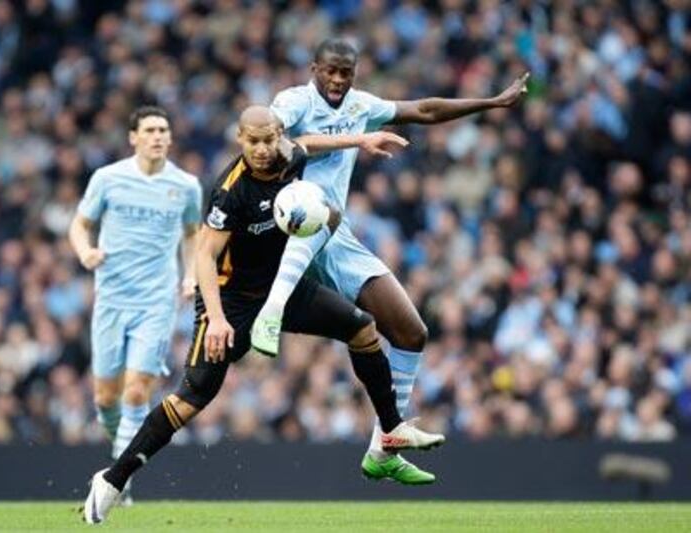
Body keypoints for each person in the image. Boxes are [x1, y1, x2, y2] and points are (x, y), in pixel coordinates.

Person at [82, 106, 443, 524]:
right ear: (240, 139)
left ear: (278, 137)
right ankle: (111, 479)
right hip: (229, 300)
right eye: (252, 141)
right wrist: (216, 320)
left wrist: (360, 140)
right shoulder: (230, 191)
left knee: (362, 329)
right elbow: (204, 256)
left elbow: (307, 144)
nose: (261, 149)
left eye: (269, 139)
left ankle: (391, 428)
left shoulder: (291, 157)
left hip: (280, 290)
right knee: (193, 397)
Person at [249, 38, 529, 484]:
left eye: (347, 73)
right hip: (285, 228)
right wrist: (359, 139)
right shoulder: (293, 100)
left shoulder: (361, 104)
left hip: (334, 236)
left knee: (411, 331)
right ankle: (270, 310)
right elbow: (282, 143)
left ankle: (385, 446)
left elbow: (426, 110)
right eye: (331, 71)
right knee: (315, 204)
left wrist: (491, 102)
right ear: (314, 68)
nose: (339, 81)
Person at [69, 105, 202, 503]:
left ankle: (116, 480)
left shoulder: (186, 185)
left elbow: (193, 234)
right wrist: (85, 252)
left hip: (156, 299)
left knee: (138, 390)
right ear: (134, 137)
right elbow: (79, 224)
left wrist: (190, 274)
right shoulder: (108, 179)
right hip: (112, 297)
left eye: (164, 129)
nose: (158, 136)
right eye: (150, 129)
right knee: (106, 397)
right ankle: (119, 458)